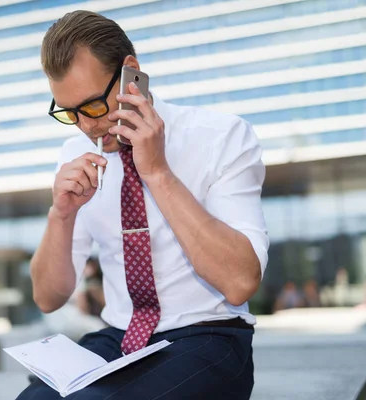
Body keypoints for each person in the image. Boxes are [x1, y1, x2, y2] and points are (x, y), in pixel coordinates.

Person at [19, 10, 268, 399]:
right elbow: (48, 298)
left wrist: (158, 173)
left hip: (206, 335)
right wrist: (62, 215)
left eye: (94, 107)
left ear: (130, 74)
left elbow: (240, 282)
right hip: (118, 338)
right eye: (70, 113)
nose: (87, 126)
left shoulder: (223, 137)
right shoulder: (75, 153)